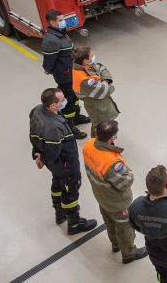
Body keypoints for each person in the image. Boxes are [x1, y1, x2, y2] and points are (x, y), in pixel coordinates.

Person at [29, 88, 97, 234]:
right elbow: (53, 152)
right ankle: (74, 223)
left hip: (55, 166)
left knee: (57, 183)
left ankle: (59, 214)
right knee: (70, 190)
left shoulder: (36, 111)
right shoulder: (53, 127)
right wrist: (44, 158)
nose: (65, 100)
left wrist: (37, 154)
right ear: (53, 105)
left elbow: (33, 136)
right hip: (65, 164)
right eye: (61, 100)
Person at [82, 120, 147, 263]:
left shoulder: (88, 145)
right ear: (112, 138)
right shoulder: (111, 163)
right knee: (124, 227)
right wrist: (128, 170)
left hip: (101, 195)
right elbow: (125, 182)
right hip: (117, 202)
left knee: (109, 221)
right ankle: (129, 254)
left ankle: (116, 245)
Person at [41, 9, 89, 139]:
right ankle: (69, 126)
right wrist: (49, 70)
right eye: (60, 20)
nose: (64, 22)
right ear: (52, 22)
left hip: (71, 73)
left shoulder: (61, 33)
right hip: (64, 76)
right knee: (68, 101)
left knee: (75, 96)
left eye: (63, 19)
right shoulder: (51, 40)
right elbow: (48, 62)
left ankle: (77, 117)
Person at [72, 46, 119, 138]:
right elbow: (105, 91)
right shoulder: (84, 80)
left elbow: (101, 67)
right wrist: (107, 84)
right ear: (85, 60)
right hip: (98, 108)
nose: (94, 56)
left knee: (99, 125)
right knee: (100, 127)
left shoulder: (83, 66)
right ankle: (98, 145)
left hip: (100, 104)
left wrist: (105, 81)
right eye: (92, 55)